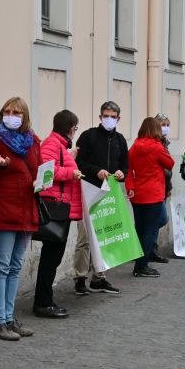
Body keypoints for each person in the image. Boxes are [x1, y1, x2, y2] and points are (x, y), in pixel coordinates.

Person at [0, 97, 40, 341]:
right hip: (3, 211)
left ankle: (8, 318)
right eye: (6, 111)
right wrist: (0, 167)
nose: (11, 115)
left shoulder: (32, 140)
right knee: (1, 265)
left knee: (15, 266)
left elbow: (38, 170)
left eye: (16, 112)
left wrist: (41, 181)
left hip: (25, 210)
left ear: (25, 116)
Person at [72, 101, 127, 295]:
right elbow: (77, 162)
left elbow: (125, 165)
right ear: (100, 117)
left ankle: (99, 277)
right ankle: (80, 277)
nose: (109, 119)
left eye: (113, 116)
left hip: (109, 195)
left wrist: (121, 173)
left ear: (118, 119)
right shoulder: (89, 136)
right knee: (85, 238)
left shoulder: (120, 140)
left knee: (105, 236)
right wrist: (97, 171)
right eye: (106, 115)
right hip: (88, 192)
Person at [32, 110, 83, 319]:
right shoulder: (52, 144)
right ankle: (43, 302)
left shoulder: (59, 145)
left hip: (62, 208)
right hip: (55, 208)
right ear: (70, 128)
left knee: (53, 257)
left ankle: (46, 299)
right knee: (51, 257)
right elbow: (47, 172)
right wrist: (71, 172)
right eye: (75, 128)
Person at [126, 118, 175, 277]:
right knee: (150, 231)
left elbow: (128, 170)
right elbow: (170, 163)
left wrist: (130, 187)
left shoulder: (134, 147)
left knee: (140, 229)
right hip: (153, 194)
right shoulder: (157, 147)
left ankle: (138, 261)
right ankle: (141, 266)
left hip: (137, 194)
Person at [151, 113, 172, 264]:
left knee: (156, 220)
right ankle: (147, 245)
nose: (165, 128)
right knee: (161, 218)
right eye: (163, 125)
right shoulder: (155, 143)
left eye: (167, 125)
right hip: (154, 186)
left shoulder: (165, 142)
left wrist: (169, 186)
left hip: (164, 186)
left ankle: (151, 247)